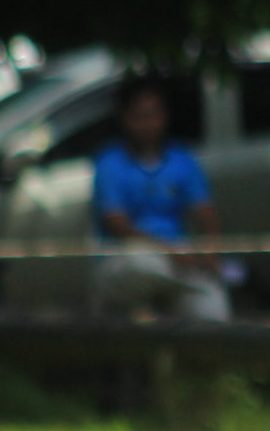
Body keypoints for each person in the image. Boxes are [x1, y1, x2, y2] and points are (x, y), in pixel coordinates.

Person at [89, 75, 228, 321]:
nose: (148, 124)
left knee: (213, 312)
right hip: (130, 257)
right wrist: (170, 252)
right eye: (139, 116)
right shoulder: (110, 163)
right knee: (141, 265)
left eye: (154, 114)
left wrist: (209, 254)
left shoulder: (181, 159)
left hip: (179, 258)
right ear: (124, 119)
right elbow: (117, 223)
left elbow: (205, 211)